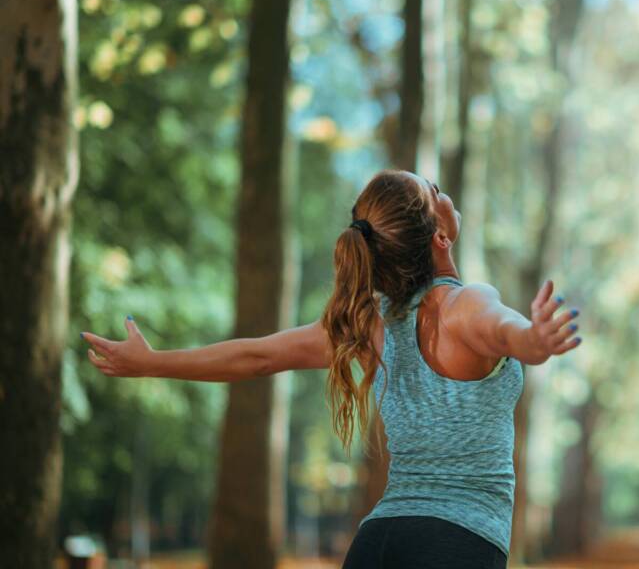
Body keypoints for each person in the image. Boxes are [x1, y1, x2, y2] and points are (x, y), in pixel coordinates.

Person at [83, 169, 582, 569]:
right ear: (440, 236)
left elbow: (257, 356)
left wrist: (153, 363)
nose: (445, 193)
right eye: (437, 192)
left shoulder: (368, 324)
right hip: (459, 542)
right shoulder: (468, 304)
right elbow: (508, 332)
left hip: (378, 540)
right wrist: (534, 339)